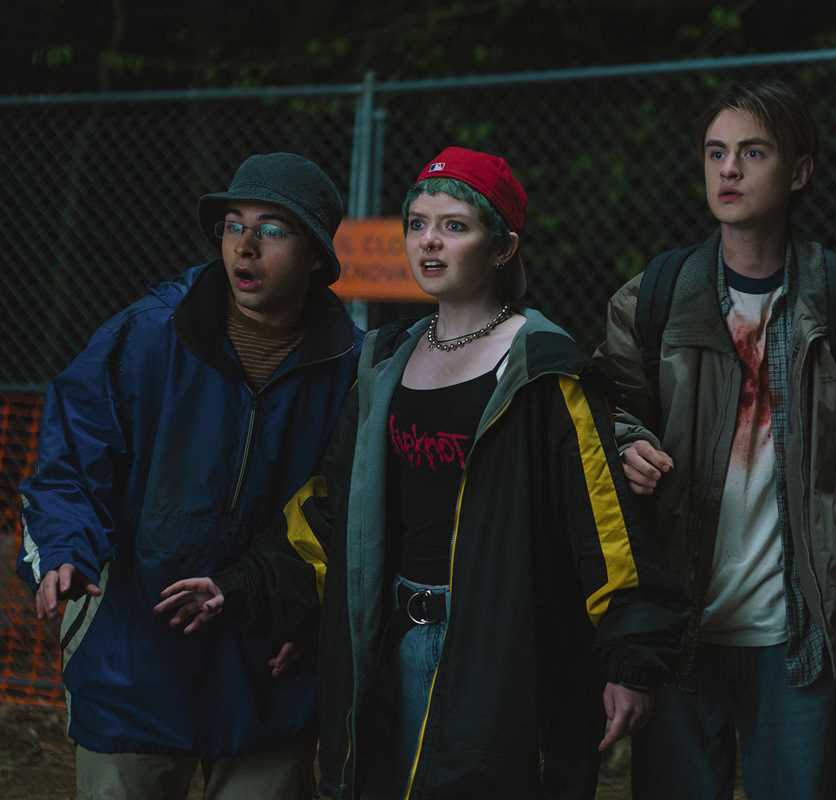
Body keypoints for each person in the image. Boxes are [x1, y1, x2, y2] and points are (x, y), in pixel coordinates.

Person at [156, 145, 687, 799]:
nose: (429, 241)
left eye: (454, 226)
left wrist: (633, 660)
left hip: (500, 655)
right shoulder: (384, 364)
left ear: (502, 247)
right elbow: (334, 512)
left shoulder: (543, 370)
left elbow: (605, 529)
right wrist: (238, 586)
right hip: (388, 644)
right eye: (417, 224)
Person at [593, 79, 836, 799]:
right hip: (677, 630)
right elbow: (598, 418)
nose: (729, 169)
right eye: (715, 152)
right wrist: (624, 442)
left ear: (799, 171)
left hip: (799, 635)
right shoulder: (651, 298)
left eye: (753, 152)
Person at [17, 152, 362, 799]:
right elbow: (69, 463)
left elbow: (345, 513)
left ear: (316, 254)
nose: (246, 247)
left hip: (267, 664)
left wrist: (302, 614)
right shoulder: (149, 335)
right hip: (133, 652)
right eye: (234, 226)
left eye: (272, 230)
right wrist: (64, 548)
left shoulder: (351, 369)